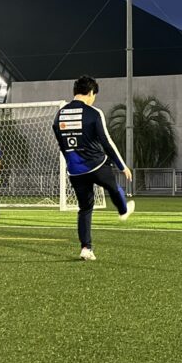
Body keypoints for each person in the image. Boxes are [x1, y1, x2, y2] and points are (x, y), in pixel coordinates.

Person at [52, 75, 135, 261]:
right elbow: (106, 141)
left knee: (85, 209)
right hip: (96, 165)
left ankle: (86, 248)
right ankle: (123, 210)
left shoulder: (60, 115)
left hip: (75, 171)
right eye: (94, 96)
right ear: (90, 92)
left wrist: (72, 163)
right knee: (114, 188)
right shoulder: (94, 113)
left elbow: (62, 145)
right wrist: (122, 165)